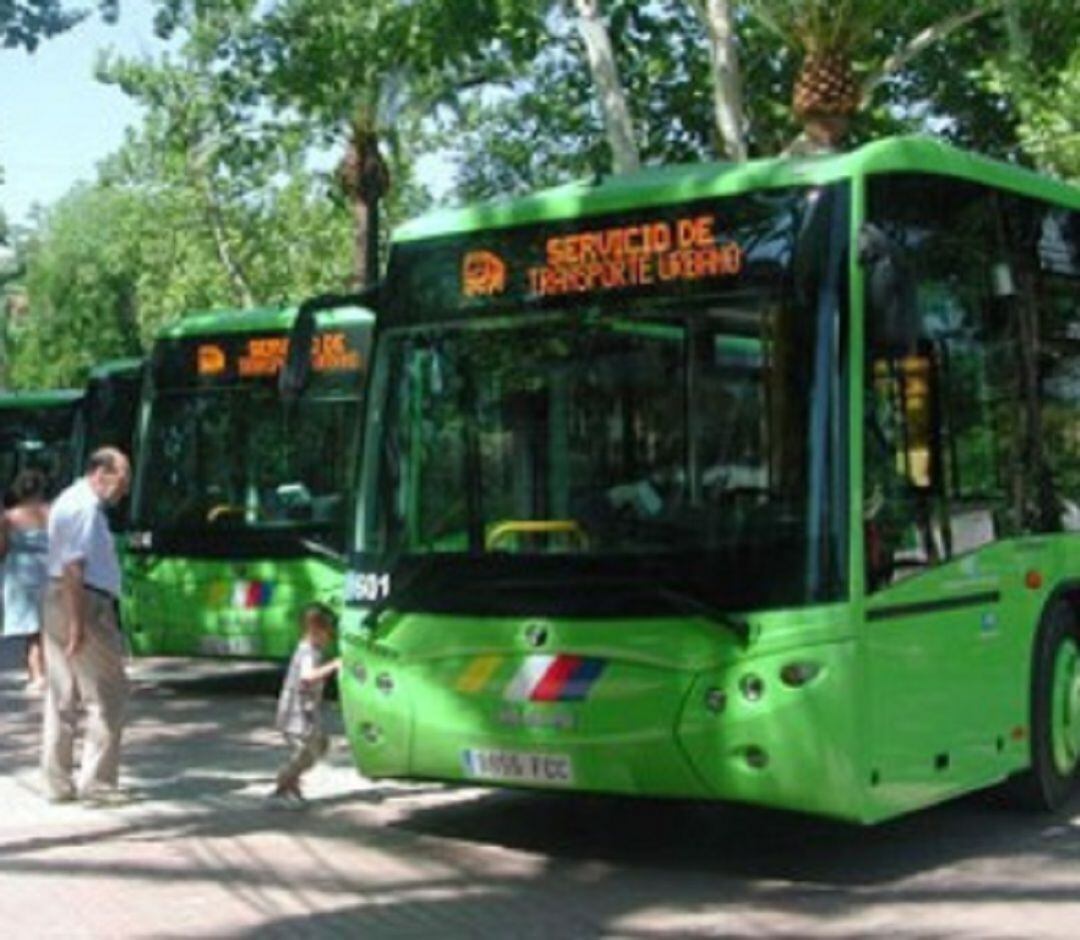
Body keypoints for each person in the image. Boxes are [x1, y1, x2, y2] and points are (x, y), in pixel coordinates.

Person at [41, 447, 132, 804]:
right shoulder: (83, 508)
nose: (124, 490)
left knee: (61, 696)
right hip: (84, 602)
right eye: (122, 480)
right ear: (101, 472)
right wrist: (78, 624)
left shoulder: (69, 500)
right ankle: (98, 782)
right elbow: (73, 568)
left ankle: (57, 781)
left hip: (59, 599)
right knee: (108, 693)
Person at [272, 602, 341, 802]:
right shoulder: (308, 651)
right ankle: (284, 782)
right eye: (328, 633)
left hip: (306, 712)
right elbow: (308, 676)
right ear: (315, 630)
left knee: (319, 746)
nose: (330, 639)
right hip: (296, 713)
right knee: (306, 752)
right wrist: (334, 665)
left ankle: (291, 784)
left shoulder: (313, 650)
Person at [0, 469, 51, 692]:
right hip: (49, 571)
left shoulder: (9, 518)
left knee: (32, 630)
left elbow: (2, 547)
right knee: (47, 628)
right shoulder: (53, 513)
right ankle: (46, 673)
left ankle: (36, 675)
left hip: (20, 575)